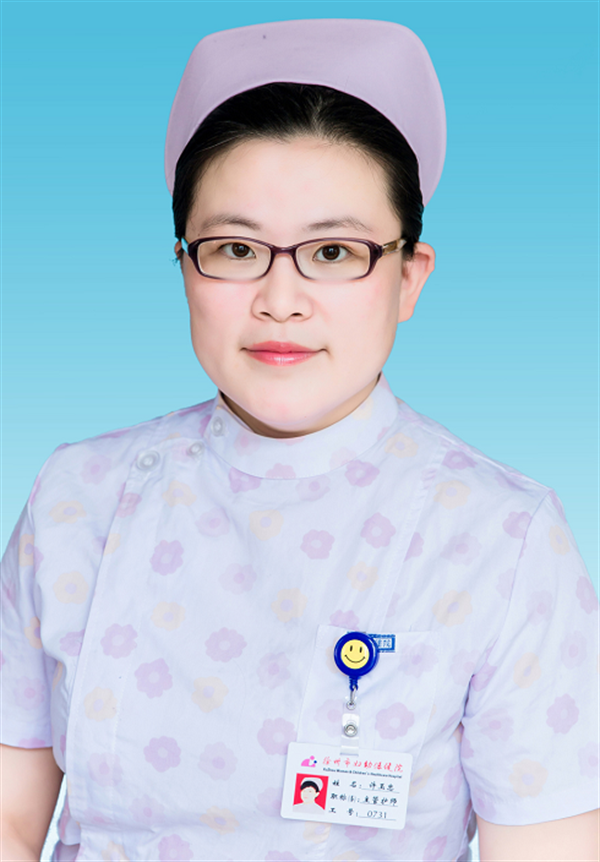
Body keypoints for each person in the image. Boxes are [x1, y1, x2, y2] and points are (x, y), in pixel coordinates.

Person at [1, 18, 598, 862]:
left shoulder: (502, 537)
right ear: (184, 266)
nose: (281, 299)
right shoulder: (78, 497)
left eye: (334, 252)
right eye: (235, 248)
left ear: (408, 277)